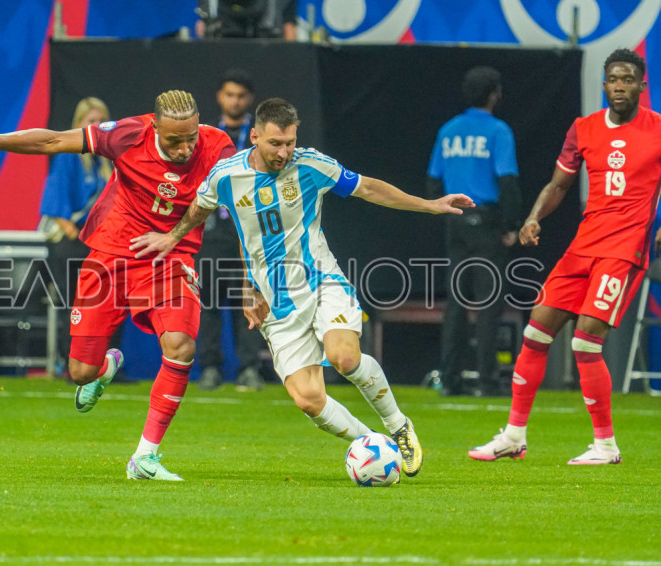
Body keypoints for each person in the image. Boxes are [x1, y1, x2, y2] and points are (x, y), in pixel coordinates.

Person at [130, 97, 476, 478]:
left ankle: (398, 426)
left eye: (290, 142)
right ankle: (374, 444)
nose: (284, 152)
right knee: (309, 399)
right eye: (275, 144)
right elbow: (203, 209)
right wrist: (174, 238)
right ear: (255, 137)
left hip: (321, 281)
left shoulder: (312, 165)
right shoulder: (226, 176)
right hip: (276, 302)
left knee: (344, 357)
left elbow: (368, 188)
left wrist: (428, 205)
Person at [0, 90, 235, 481]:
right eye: (174, 140)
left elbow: (242, 201)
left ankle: (145, 456)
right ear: (155, 128)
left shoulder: (217, 146)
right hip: (111, 252)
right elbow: (52, 141)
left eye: (190, 138)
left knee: (180, 345)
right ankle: (106, 367)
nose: (184, 149)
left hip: (170, 256)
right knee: (79, 371)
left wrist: (179, 239)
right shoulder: (129, 135)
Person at [468, 48, 661, 465]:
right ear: (604, 84)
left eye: (628, 80)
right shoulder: (583, 128)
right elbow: (559, 185)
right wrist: (533, 218)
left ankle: (606, 446)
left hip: (624, 250)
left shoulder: (658, 129)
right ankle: (514, 436)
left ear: (642, 86)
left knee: (585, 339)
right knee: (536, 331)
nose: (620, 86)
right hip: (584, 246)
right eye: (613, 79)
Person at [426, 66, 522, 397]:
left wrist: (446, 214)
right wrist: (511, 225)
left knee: (455, 303)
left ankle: (450, 379)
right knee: (488, 303)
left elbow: (433, 180)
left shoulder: (448, 130)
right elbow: (507, 180)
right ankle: (487, 380)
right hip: (486, 221)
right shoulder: (498, 131)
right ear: (494, 94)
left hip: (455, 221)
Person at [197, 69, 266, 391]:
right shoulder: (208, 136)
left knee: (247, 298)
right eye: (229, 95)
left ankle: (249, 368)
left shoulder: (260, 137)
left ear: (249, 99)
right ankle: (210, 368)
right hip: (212, 231)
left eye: (240, 96)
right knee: (208, 303)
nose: (235, 101)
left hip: (249, 230)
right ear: (219, 97)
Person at [38, 97, 116, 373]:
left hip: (101, 242)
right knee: (73, 306)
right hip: (73, 241)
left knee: (109, 304)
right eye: (91, 121)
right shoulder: (67, 155)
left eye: (101, 121)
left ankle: (106, 364)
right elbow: (56, 204)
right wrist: (77, 234)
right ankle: (73, 365)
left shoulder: (108, 162)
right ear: (79, 124)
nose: (97, 125)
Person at [196, 0, 297, 40]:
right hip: (222, 47)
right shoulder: (211, 5)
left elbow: (289, 27)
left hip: (266, 48)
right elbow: (202, 28)